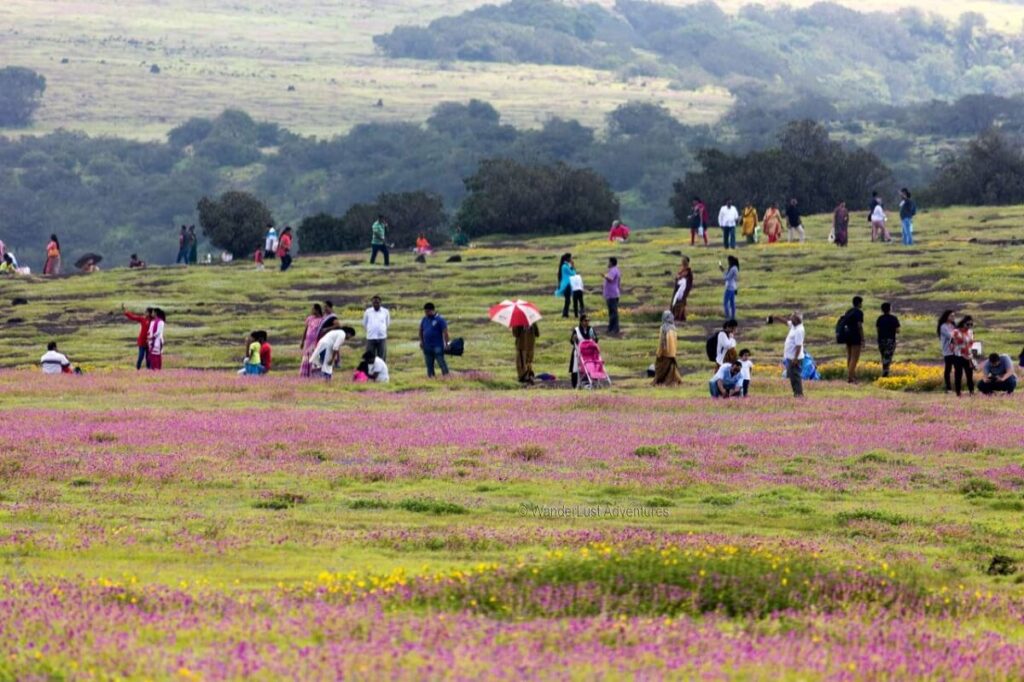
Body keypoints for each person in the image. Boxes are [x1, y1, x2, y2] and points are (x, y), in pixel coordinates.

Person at [419, 303, 450, 378]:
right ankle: (431, 378)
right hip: (427, 346)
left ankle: (447, 377)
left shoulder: (440, 320)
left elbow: (445, 332)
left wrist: (447, 343)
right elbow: (421, 330)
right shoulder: (424, 319)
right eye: (425, 312)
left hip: (437, 346)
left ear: (432, 310)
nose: (426, 313)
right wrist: (421, 341)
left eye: (427, 312)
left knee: (441, 363)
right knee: (429, 365)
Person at [653, 311, 683, 386]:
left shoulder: (663, 328)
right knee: (671, 369)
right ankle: (673, 380)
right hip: (672, 353)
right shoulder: (674, 328)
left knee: (661, 368)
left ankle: (663, 381)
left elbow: (661, 343)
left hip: (665, 353)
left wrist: (659, 353)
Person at [839, 296, 865, 383]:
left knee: (849, 357)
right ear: (859, 303)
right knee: (854, 358)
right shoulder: (859, 312)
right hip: (855, 336)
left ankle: (852, 375)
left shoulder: (848, 311)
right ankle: (850, 378)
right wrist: (863, 339)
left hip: (847, 336)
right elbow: (859, 326)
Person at [569, 315, 598, 389]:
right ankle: (575, 384)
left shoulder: (591, 329)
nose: (587, 322)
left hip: (589, 353)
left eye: (588, 321)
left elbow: (596, 340)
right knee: (575, 368)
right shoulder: (576, 330)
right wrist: (573, 339)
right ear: (581, 322)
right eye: (585, 321)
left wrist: (594, 338)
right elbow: (572, 341)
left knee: (590, 367)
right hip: (578, 352)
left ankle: (590, 382)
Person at [950, 316, 976, 397]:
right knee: (958, 375)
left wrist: (971, 353)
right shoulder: (956, 331)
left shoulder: (971, 332)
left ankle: (971, 392)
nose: (969, 326)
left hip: (968, 356)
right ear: (963, 323)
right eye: (968, 324)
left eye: (971, 324)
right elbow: (952, 344)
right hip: (958, 356)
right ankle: (958, 392)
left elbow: (971, 343)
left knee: (970, 375)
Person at [123, 306, 154, 370]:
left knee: (148, 358)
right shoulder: (143, 319)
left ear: (150, 313)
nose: (145, 313)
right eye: (145, 312)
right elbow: (133, 317)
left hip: (149, 342)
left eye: (146, 312)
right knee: (141, 356)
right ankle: (137, 369)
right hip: (142, 341)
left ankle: (149, 370)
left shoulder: (153, 321)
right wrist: (127, 313)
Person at [876, 303, 901, 377]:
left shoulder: (880, 318)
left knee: (883, 356)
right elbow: (898, 330)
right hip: (890, 340)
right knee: (888, 357)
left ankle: (885, 371)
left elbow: (878, 329)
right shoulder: (893, 318)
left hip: (881, 340)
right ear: (890, 309)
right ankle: (885, 373)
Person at [783, 312, 805, 398]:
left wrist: (795, 358)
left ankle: (799, 394)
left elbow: (798, 346)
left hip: (795, 358)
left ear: (797, 320)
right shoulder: (794, 326)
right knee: (792, 376)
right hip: (790, 357)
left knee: (795, 376)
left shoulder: (799, 330)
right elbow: (786, 322)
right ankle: (796, 393)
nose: (790, 320)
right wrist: (776, 318)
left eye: (792, 318)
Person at [299, 303, 324, 377]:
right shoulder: (310, 318)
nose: (312, 310)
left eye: (313, 309)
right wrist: (302, 341)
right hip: (308, 342)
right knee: (307, 356)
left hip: (316, 342)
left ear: (317, 310)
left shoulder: (322, 320)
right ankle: (305, 374)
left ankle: (314, 375)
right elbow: (306, 330)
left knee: (315, 356)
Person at [363, 296, 391, 361]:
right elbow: (365, 323)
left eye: (377, 302)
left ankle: (381, 370)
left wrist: (382, 330)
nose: (376, 304)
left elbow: (387, 323)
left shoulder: (385, 311)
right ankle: (370, 370)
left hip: (382, 337)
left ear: (380, 303)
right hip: (371, 337)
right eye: (374, 302)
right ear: (372, 303)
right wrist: (370, 330)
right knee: (370, 357)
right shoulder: (368, 311)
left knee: (382, 357)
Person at [671, 256, 693, 322]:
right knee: (675, 303)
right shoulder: (681, 270)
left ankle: (679, 317)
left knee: (680, 304)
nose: (683, 262)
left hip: (683, 290)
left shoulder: (688, 271)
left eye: (684, 261)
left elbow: (689, 282)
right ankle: (677, 317)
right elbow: (677, 278)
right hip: (678, 289)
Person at [603, 257, 621, 335]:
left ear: (612, 263)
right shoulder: (615, 270)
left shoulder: (613, 270)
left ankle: (614, 329)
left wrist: (604, 276)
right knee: (612, 312)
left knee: (613, 313)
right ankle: (611, 328)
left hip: (612, 294)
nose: (608, 263)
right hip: (612, 294)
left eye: (609, 262)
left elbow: (610, 279)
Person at [555, 253, 575, 318]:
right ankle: (565, 313)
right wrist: (573, 266)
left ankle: (565, 313)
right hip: (567, 284)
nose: (572, 259)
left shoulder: (565, 266)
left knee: (568, 300)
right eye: (571, 258)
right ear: (568, 258)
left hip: (567, 284)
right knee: (568, 300)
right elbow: (573, 273)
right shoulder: (565, 266)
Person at [720, 256, 739, 320]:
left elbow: (727, 277)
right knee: (732, 303)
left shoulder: (733, 268)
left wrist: (723, 274)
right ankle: (733, 317)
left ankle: (728, 316)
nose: (728, 262)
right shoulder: (735, 268)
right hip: (733, 287)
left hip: (729, 287)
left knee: (725, 303)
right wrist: (723, 271)